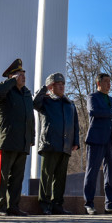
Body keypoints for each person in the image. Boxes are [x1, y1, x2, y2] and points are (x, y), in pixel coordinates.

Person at [0, 58, 35, 217]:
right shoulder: (5, 90)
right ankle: (1, 207)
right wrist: (11, 81)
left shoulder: (26, 93)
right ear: (11, 76)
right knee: (3, 176)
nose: (23, 77)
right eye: (19, 74)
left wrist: (31, 136)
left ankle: (13, 206)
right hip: (8, 139)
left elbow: (30, 117)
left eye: (24, 74)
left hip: (23, 141)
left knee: (17, 177)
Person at [33, 73, 79, 215]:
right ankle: (45, 204)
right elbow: (34, 102)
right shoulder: (45, 101)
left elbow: (75, 124)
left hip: (65, 145)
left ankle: (57, 204)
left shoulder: (70, 104)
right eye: (58, 84)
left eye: (63, 84)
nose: (61, 86)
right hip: (50, 143)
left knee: (60, 178)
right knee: (47, 177)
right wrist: (44, 88)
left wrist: (75, 141)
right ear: (51, 87)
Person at [82, 73, 112, 215]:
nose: (109, 84)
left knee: (110, 174)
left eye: (110, 82)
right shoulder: (92, 97)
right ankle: (89, 204)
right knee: (92, 172)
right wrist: (110, 113)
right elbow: (93, 111)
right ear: (98, 83)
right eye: (106, 82)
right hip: (96, 139)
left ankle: (110, 204)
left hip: (111, 141)